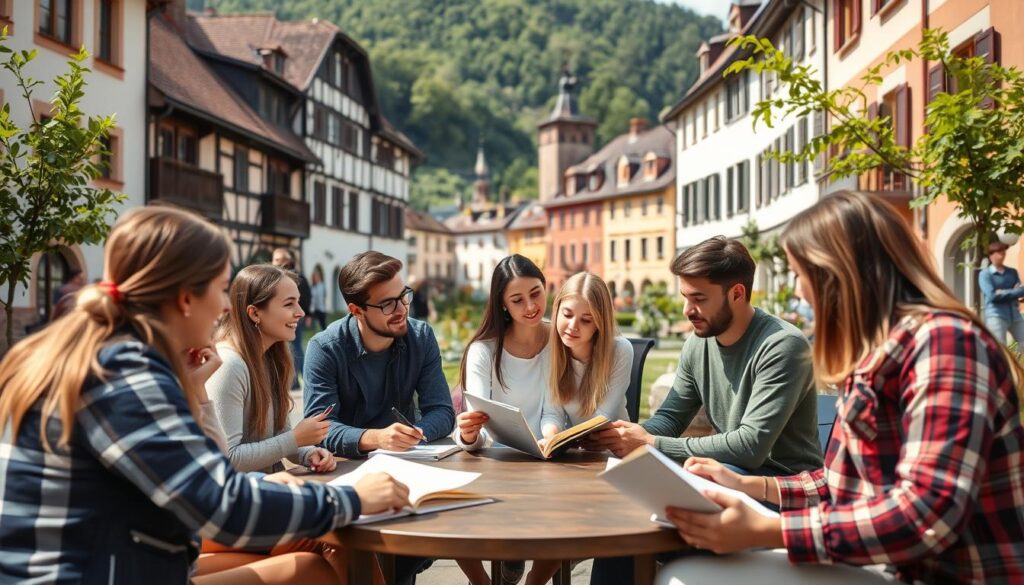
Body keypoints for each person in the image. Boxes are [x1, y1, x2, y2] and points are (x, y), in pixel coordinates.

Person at [0, 206, 410, 584]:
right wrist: (351, 498)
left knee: (310, 562)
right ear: (184, 299)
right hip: (94, 572)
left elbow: (210, 477)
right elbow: (221, 505)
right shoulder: (123, 375)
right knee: (310, 570)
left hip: (118, 559)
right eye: (219, 289)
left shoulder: (113, 357)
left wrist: (196, 392)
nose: (223, 307)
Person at [658, 191, 1024, 584]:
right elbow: (841, 483)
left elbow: (926, 513)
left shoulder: (946, 345)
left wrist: (770, 530)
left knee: (688, 576)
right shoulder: (879, 354)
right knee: (686, 572)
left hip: (955, 576)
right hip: (889, 568)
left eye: (801, 275)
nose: (799, 292)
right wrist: (749, 485)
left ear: (840, 274)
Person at [586, 237, 823, 585]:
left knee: (663, 525)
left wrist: (652, 445)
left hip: (779, 491)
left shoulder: (782, 346)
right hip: (724, 477)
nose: (687, 310)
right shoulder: (698, 344)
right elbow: (670, 418)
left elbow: (750, 447)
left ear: (737, 294)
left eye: (699, 299)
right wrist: (628, 437)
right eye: (685, 297)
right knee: (623, 522)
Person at [304, 251, 455, 585]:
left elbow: (443, 412)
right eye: (388, 304)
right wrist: (376, 438)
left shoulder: (420, 337)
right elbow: (317, 427)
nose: (402, 309)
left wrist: (414, 433)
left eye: (404, 295)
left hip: (408, 468)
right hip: (345, 475)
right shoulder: (325, 348)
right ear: (356, 310)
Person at [452, 254, 550, 585]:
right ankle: (483, 581)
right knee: (452, 513)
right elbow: (476, 428)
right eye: (518, 299)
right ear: (503, 305)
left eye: (536, 293)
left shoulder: (560, 340)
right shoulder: (484, 350)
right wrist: (468, 434)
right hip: (498, 465)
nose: (531, 306)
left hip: (552, 462)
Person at [207, 264, 335, 474]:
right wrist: (296, 438)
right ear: (255, 313)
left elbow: (279, 437)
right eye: (289, 304)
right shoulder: (229, 366)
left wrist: (308, 453)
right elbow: (228, 458)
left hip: (270, 488)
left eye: (299, 302)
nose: (301, 313)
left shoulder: (272, 359)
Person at [272, 247, 312, 388]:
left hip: (295, 317)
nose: (274, 262)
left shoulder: (296, 277)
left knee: (293, 347)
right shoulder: (277, 277)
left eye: (277, 259)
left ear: (286, 261)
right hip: (283, 316)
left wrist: (307, 314)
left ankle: (295, 382)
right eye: (274, 259)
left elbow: (306, 296)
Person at [978, 239, 1024, 346]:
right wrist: (1013, 292)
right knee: (999, 349)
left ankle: (1015, 363)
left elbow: (1021, 291)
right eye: (999, 252)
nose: (1002, 255)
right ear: (991, 255)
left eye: (1003, 252)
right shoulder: (985, 274)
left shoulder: (1012, 272)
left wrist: (1002, 292)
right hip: (996, 315)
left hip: (1015, 314)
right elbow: (992, 295)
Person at [310, 265, 329, 331]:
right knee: (315, 326)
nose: (316, 278)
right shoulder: (313, 286)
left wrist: (326, 308)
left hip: (321, 308)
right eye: (315, 277)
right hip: (314, 309)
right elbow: (312, 298)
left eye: (317, 276)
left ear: (319, 277)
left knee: (323, 325)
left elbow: (325, 297)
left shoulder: (322, 286)